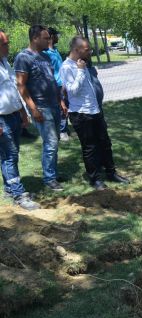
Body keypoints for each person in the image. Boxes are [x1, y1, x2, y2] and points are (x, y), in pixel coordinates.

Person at [60, 35, 129, 190]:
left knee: (105, 142)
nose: (90, 51)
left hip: (94, 110)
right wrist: (80, 71)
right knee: (90, 147)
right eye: (86, 49)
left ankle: (111, 173)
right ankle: (95, 179)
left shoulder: (84, 63)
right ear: (76, 50)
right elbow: (72, 91)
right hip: (81, 113)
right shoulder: (67, 67)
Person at [15, 25, 66, 191]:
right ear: (35, 38)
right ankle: (49, 179)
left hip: (54, 105)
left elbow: (51, 81)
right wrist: (33, 108)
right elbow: (21, 85)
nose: (49, 40)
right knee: (50, 142)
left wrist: (60, 101)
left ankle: (52, 172)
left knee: (55, 141)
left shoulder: (45, 56)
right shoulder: (23, 57)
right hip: (41, 107)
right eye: (45, 38)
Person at [0, 30, 40, 210]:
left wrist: (23, 112)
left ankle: (10, 188)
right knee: (9, 156)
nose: (8, 46)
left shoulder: (4, 63)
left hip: (14, 115)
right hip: (2, 119)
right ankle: (18, 194)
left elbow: (13, 90)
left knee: (11, 154)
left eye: (7, 43)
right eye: (5, 44)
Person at [43, 27, 70, 141]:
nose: (58, 37)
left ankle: (64, 128)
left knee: (65, 106)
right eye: (57, 35)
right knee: (61, 107)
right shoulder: (45, 53)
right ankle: (62, 131)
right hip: (55, 85)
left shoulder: (56, 50)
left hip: (63, 83)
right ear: (52, 36)